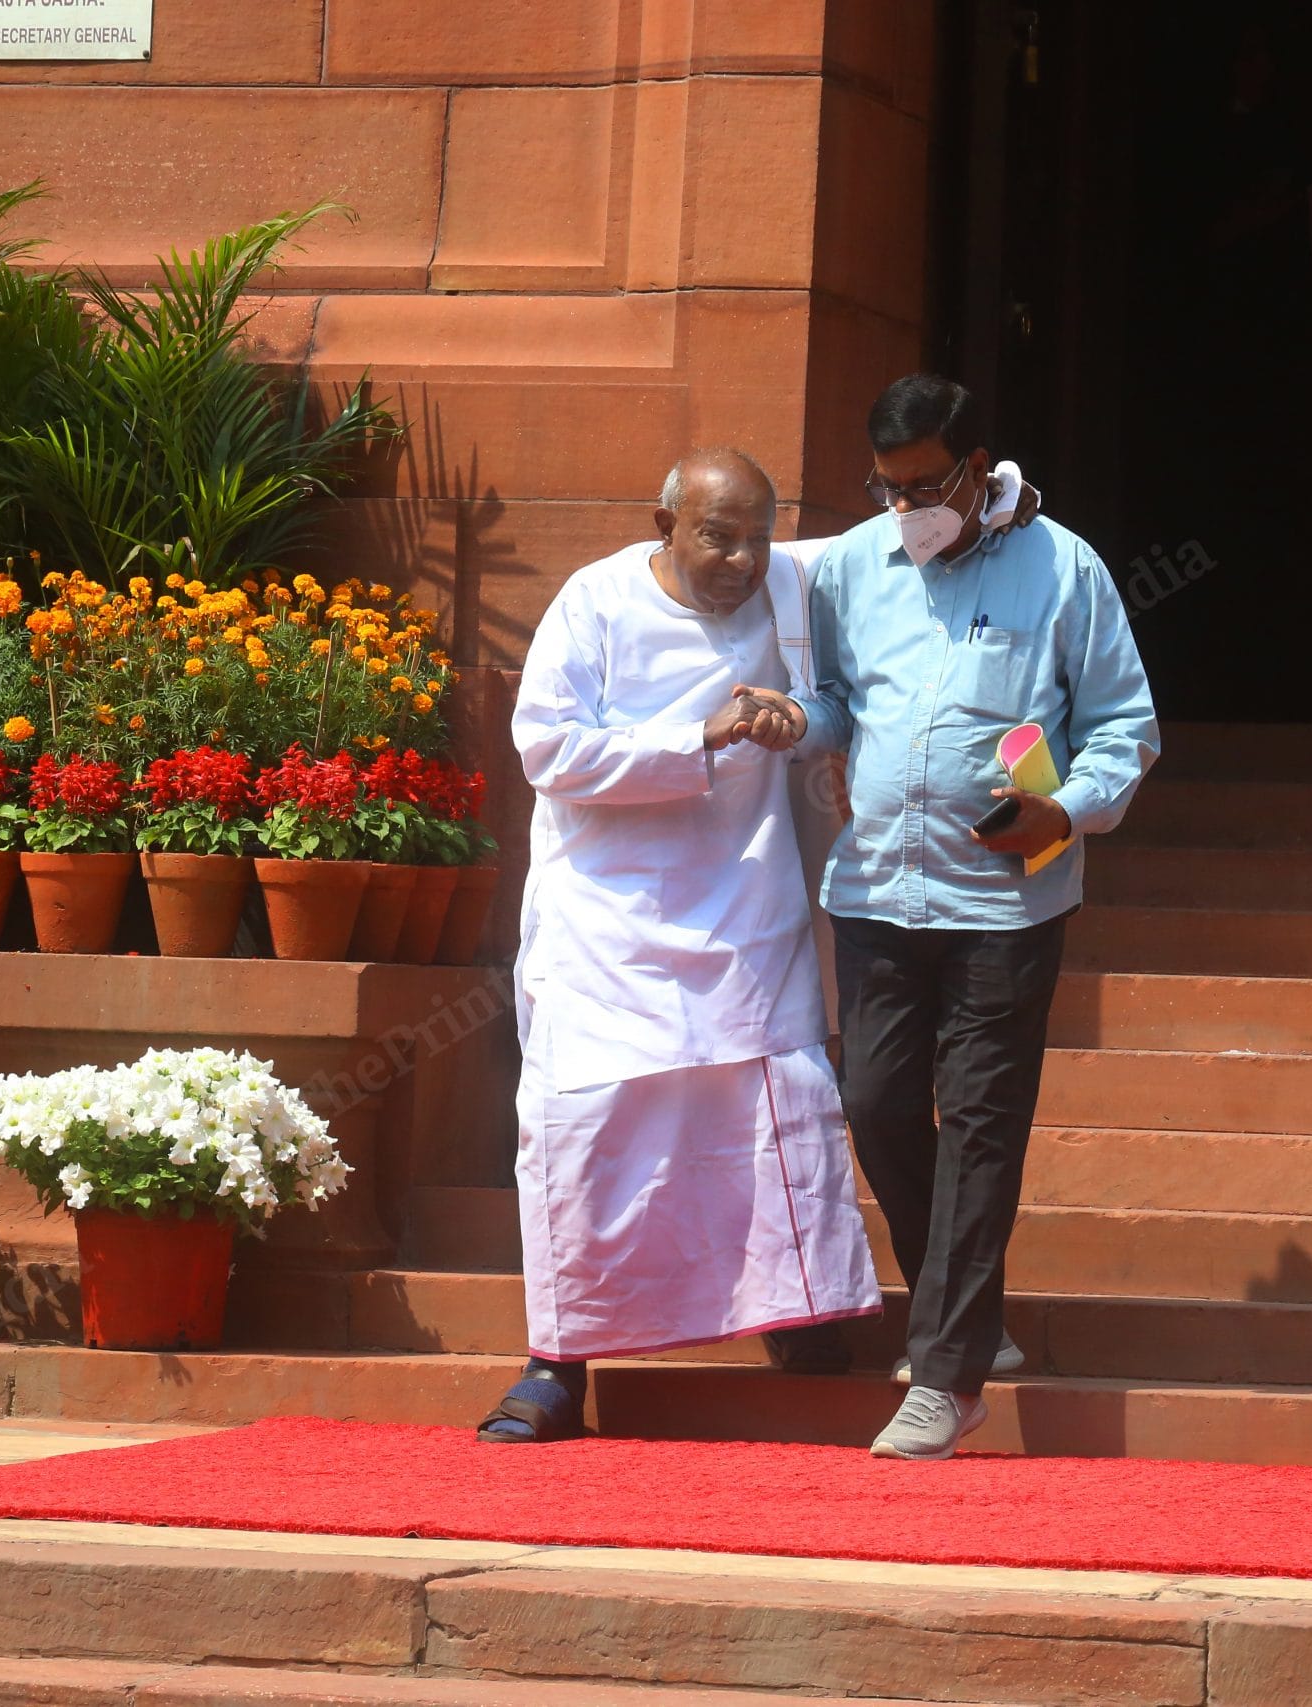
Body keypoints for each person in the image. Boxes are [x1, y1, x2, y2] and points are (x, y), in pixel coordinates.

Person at [740, 375, 1159, 1460]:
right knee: (878, 1104)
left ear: (978, 468)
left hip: (1005, 903)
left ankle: (946, 1377)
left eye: (924, 484)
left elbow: (1124, 725)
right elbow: (838, 702)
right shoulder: (848, 567)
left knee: (979, 1126)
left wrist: (1062, 809)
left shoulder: (1063, 568)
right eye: (886, 486)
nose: (905, 505)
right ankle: (964, 1313)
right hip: (879, 888)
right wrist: (797, 722)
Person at [477, 449, 883, 1443]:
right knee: (580, 1130)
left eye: (758, 534)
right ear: (663, 523)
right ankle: (558, 1359)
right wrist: (692, 740)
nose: (744, 559)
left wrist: (997, 492)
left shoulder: (788, 578)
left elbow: (901, 539)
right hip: (603, 920)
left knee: (772, 1104)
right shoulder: (593, 601)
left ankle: (795, 1312)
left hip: (743, 898)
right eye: (718, 535)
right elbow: (546, 751)